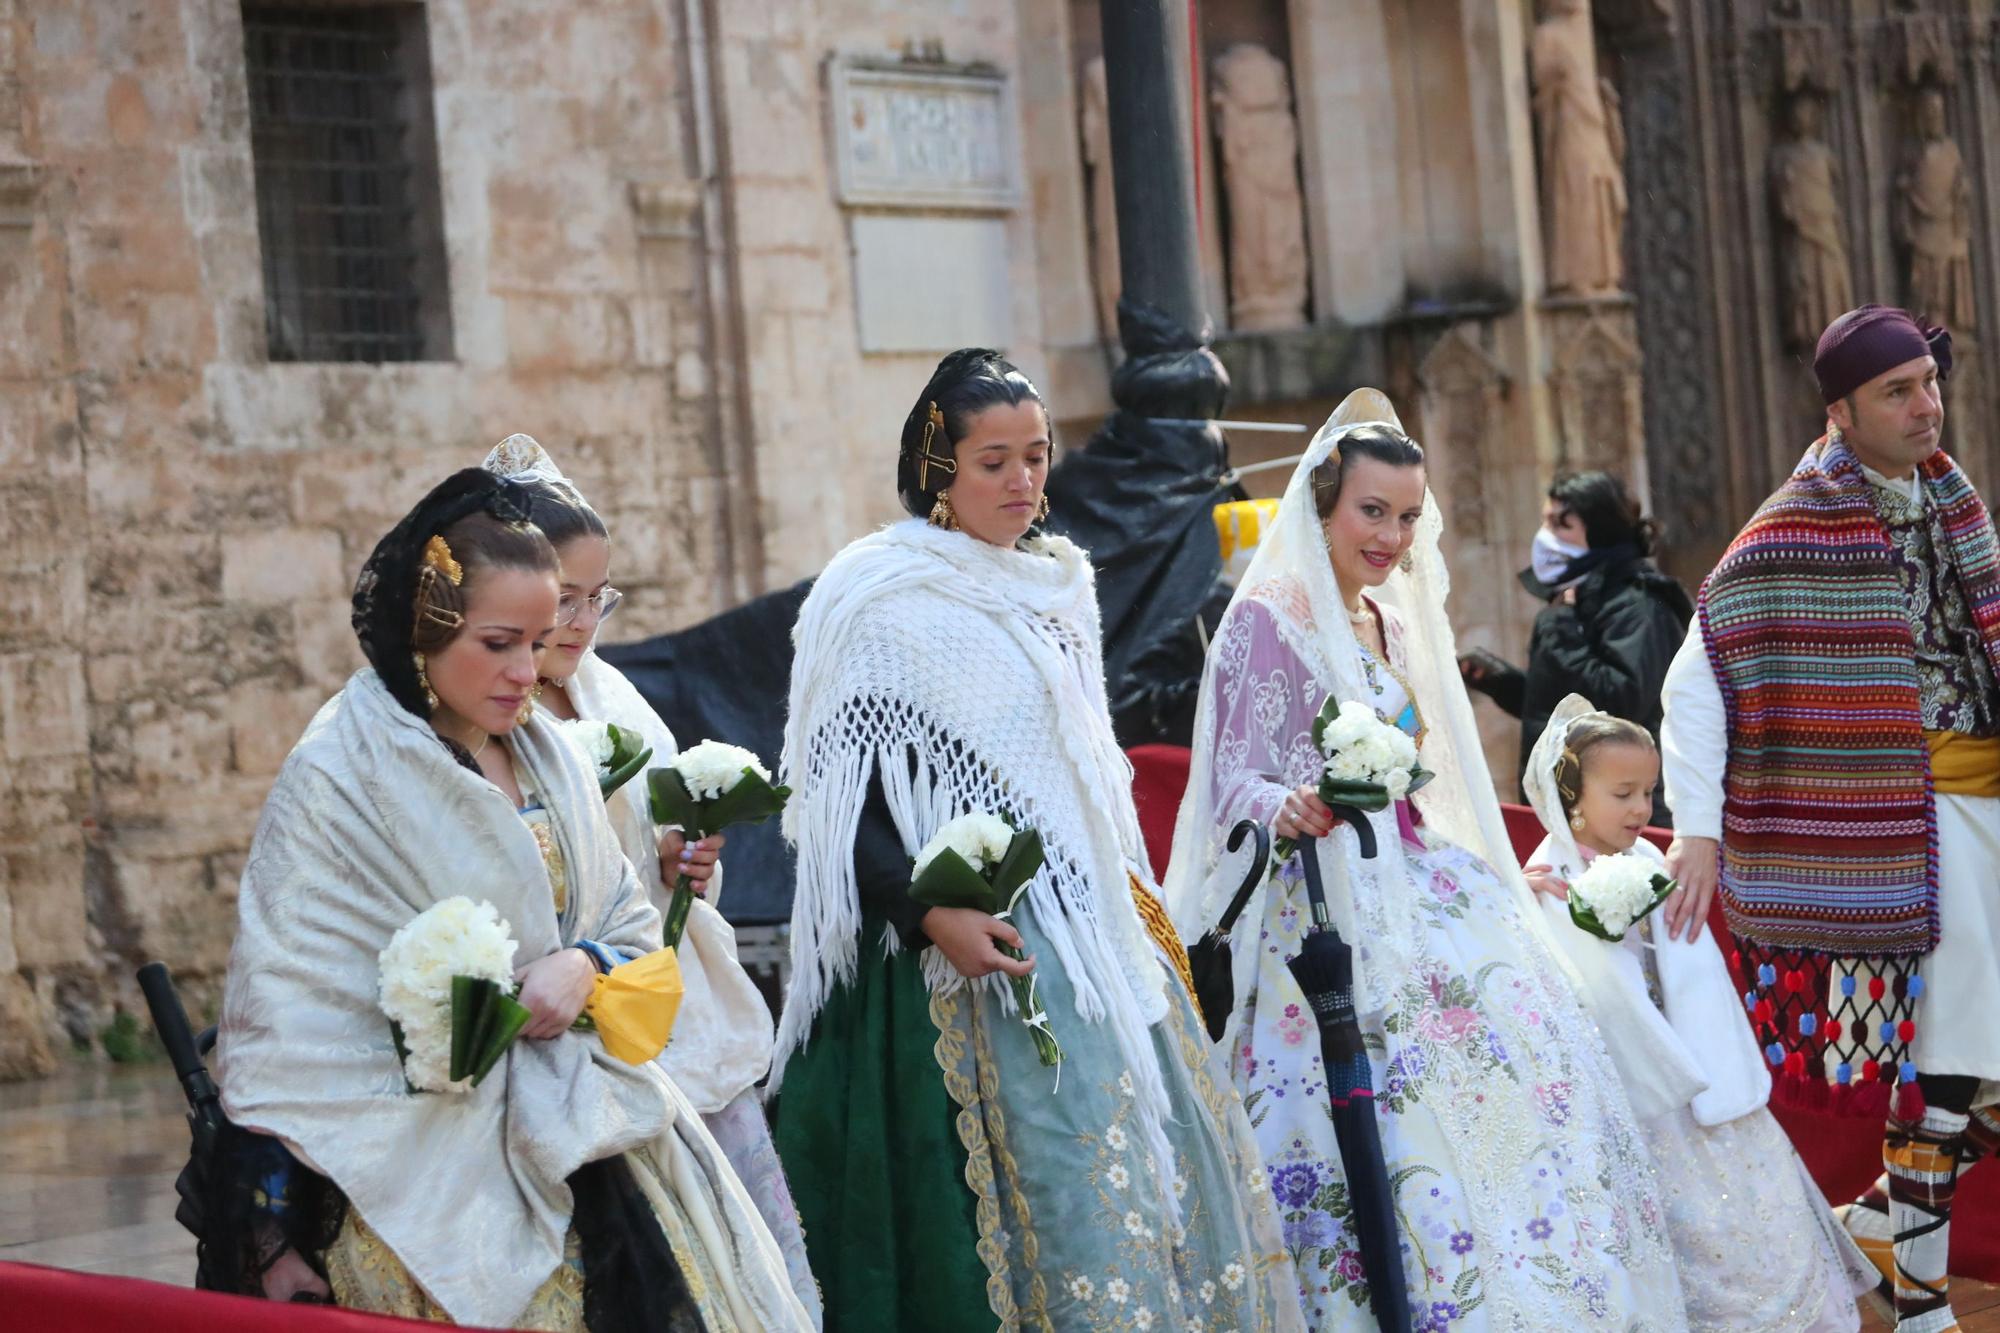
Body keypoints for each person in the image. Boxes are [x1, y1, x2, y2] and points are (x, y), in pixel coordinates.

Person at [768, 349, 1300, 1332]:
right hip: (954, 956)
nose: (1021, 481)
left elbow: (1078, 778)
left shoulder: (1061, 588)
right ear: (937, 468)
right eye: (992, 462)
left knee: (1149, 1181)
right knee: (1011, 1215)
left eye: (1036, 456)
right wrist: (932, 913)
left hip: (1092, 930)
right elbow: (841, 808)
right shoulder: (877, 599)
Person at [210, 468, 814, 1331]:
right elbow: (285, 1017)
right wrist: (270, 1234)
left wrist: (583, 962)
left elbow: (627, 920)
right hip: (406, 1159)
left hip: (587, 1122)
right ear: (425, 629)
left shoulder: (548, 753)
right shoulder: (340, 774)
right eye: (498, 643)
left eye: (538, 642)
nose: (526, 671)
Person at [1163, 390, 1685, 1330]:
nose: (1392, 536)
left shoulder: (1393, 625)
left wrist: (1486, 866)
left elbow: (1422, 777)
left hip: (1412, 875)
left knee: (1516, 1045)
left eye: (1407, 517)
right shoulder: (1268, 621)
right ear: (1323, 502)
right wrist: (1292, 801)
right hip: (1316, 894)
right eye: (1373, 510)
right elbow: (1232, 778)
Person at [1660, 304, 2000, 1332]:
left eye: (1926, 383)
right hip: (1904, 831)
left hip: (1988, 805)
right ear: (1839, 410)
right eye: (1894, 392)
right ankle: (1925, 1304)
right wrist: (1695, 830)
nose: (1922, 405)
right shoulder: (1792, 524)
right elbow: (1698, 673)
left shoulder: (1953, 500)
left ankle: (1872, 1218)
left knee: (1979, 1073)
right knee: (1947, 1069)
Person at [482, 435, 822, 1325]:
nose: (585, 620)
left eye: (601, 596)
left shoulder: (612, 694)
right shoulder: (489, 706)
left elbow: (646, 843)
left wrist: (678, 860)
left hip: (662, 989)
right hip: (566, 1013)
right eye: (566, 597)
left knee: (743, 1233)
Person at [1521, 697, 1873, 1332]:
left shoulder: (1649, 861)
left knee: (1751, 1210)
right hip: (1630, 1085)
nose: (1641, 809)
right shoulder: (1548, 877)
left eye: (1649, 792)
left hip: (1698, 1068)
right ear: (1572, 792)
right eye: (1622, 792)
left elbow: (1690, 965)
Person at [1460, 470, 1691, 826]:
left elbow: (1620, 704)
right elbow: (1571, 711)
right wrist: (1501, 682)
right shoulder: (1577, 602)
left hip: (1622, 817)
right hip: (1571, 811)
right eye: (1545, 521)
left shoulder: (1637, 605)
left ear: (1598, 529)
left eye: (1560, 524)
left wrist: (1560, 628)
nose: (1545, 537)